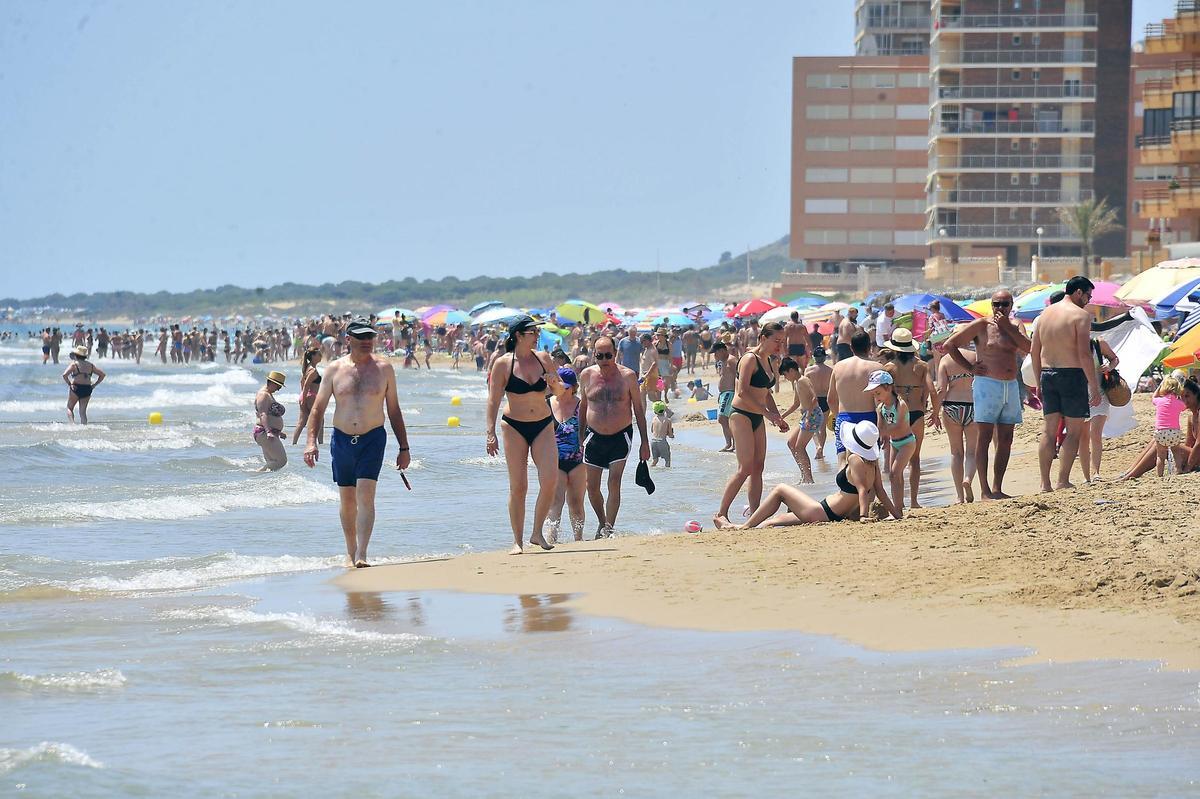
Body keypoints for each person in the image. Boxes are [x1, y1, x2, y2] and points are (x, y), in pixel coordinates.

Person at [304, 317, 411, 568]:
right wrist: (311, 442)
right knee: (347, 499)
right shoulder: (334, 370)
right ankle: (350, 550)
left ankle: (363, 552)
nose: (367, 341)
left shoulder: (384, 369)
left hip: (373, 437)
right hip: (341, 439)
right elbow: (318, 409)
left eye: (370, 337)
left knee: (366, 494)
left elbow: (394, 410)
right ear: (348, 339)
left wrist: (404, 448)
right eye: (361, 337)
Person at [731, 420, 901, 527]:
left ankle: (745, 526)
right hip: (830, 513)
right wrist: (897, 515)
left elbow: (863, 490)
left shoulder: (856, 459)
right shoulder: (872, 464)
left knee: (780, 489)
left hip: (823, 512)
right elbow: (880, 492)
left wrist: (863, 516)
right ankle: (755, 524)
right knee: (777, 520)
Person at [485, 316, 561, 554]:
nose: (537, 336)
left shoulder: (544, 358)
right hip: (514, 426)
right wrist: (489, 432)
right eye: (532, 332)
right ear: (518, 335)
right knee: (519, 486)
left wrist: (553, 382)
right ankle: (517, 541)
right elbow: (493, 399)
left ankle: (537, 533)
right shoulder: (503, 363)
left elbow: (559, 391)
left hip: (543, 423)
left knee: (550, 480)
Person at [944, 290, 1030, 500]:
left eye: (1004, 304)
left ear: (1011, 306)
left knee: (1006, 438)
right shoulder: (982, 325)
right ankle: (984, 490)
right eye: (996, 304)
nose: (1000, 308)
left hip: (1010, 385)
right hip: (986, 385)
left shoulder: (1015, 325)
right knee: (984, 436)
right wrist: (970, 367)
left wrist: (1008, 327)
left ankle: (997, 487)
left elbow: (1028, 347)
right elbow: (949, 345)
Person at [713, 322, 790, 528]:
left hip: (758, 416)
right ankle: (721, 514)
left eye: (782, 341)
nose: (779, 345)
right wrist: (768, 415)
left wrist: (777, 415)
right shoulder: (749, 358)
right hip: (741, 415)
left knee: (758, 467)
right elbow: (742, 392)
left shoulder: (768, 360)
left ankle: (755, 515)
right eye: (776, 341)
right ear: (763, 338)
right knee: (745, 467)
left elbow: (766, 392)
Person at [1030, 276, 1100, 492]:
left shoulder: (1044, 315)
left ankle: (1045, 483)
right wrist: (1094, 386)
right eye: (1088, 295)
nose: (1089, 300)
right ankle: (1062, 480)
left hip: (1047, 374)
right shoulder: (1080, 316)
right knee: (1073, 431)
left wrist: (1038, 381)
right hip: (1072, 375)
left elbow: (1034, 352)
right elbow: (1084, 354)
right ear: (1078, 292)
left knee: (1049, 431)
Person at [577, 335, 651, 538]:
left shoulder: (627, 376)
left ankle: (609, 527)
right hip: (593, 437)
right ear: (594, 354)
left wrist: (645, 442)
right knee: (591, 487)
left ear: (615, 353)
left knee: (614, 482)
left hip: (621, 436)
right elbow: (583, 407)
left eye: (608, 355)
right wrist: (579, 438)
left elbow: (638, 409)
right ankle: (602, 521)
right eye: (599, 355)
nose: (604, 360)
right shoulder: (586, 375)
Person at [881, 329, 940, 508]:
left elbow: (883, 395)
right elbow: (932, 390)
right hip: (917, 414)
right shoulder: (922, 366)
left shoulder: (889, 368)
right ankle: (914, 501)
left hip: (898, 413)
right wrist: (936, 412)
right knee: (915, 459)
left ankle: (898, 502)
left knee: (895, 459)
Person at [1118, 376, 1200, 478]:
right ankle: (1129, 472)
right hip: (1196, 456)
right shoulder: (1191, 417)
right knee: (1156, 440)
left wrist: (1188, 467)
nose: (1183, 400)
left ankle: (1131, 475)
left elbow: (1198, 444)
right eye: (1181, 396)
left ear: (1196, 395)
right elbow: (1189, 444)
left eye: (1187, 396)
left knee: (1160, 443)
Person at [866, 370, 917, 511]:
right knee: (894, 476)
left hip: (907, 442)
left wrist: (884, 432)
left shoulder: (900, 405)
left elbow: (900, 426)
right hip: (894, 443)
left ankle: (897, 508)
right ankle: (898, 508)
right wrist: (881, 437)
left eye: (878, 393)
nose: (876, 397)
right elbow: (880, 426)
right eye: (873, 394)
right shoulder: (880, 408)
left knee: (895, 473)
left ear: (888, 388)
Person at [827, 331, 878, 467]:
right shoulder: (877, 367)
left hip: (844, 418)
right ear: (869, 348)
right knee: (870, 463)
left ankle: (844, 488)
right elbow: (881, 401)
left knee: (843, 461)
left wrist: (838, 418)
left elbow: (831, 400)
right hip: (869, 419)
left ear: (851, 348)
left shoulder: (838, 367)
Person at [548, 367, 586, 544]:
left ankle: (578, 539)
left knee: (576, 503)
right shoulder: (547, 404)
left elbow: (591, 428)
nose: (561, 389)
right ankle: (551, 539)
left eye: (565, 387)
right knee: (556, 502)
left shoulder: (581, 405)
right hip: (554, 462)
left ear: (573, 387)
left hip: (578, 461)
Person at [936, 344, 978, 503]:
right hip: (972, 404)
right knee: (972, 452)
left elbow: (941, 389)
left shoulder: (946, 360)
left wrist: (934, 413)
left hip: (952, 405)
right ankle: (967, 478)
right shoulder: (975, 356)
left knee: (956, 452)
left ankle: (960, 496)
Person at [1077, 337, 1119, 482]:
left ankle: (1096, 472)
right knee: (1082, 437)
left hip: (1101, 394)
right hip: (1079, 396)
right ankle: (1086, 477)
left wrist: (1109, 367)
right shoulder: (1070, 343)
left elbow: (1114, 359)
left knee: (1095, 434)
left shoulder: (1098, 343)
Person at [778, 356, 818, 483]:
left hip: (813, 415)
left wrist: (807, 417)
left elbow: (814, 399)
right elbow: (796, 404)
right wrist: (782, 416)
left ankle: (809, 479)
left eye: (785, 375)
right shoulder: (796, 383)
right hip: (806, 416)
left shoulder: (803, 380)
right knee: (791, 443)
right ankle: (804, 474)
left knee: (800, 447)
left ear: (791, 370)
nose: (785, 378)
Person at [1152, 374, 1187, 476]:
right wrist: (1179, 396)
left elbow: (1154, 396)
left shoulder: (1159, 401)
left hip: (1161, 432)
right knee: (1176, 452)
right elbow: (1184, 406)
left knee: (1160, 456)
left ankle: (1160, 475)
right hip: (1174, 432)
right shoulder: (1179, 403)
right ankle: (1179, 470)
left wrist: (1160, 386)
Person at [254, 371, 289, 472]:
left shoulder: (268, 394)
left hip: (268, 432)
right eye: (279, 386)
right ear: (272, 383)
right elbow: (262, 414)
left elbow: (270, 415)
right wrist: (269, 431)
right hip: (264, 433)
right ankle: (256, 474)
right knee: (281, 461)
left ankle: (262, 482)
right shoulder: (263, 395)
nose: (279, 389)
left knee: (272, 463)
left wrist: (278, 432)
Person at [62, 345, 105, 424]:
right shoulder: (90, 365)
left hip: (76, 388)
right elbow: (102, 375)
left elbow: (64, 375)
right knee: (82, 412)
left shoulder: (74, 365)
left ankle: (72, 425)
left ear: (76, 355)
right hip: (87, 389)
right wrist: (94, 385)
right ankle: (84, 428)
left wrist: (70, 384)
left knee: (69, 408)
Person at [292, 348, 324, 445]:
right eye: (319, 354)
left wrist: (303, 396)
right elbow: (306, 385)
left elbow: (302, 382)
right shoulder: (313, 370)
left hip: (306, 396)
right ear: (313, 356)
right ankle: (320, 443)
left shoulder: (308, 368)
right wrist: (305, 398)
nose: (321, 356)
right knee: (320, 421)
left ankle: (294, 444)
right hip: (311, 396)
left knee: (302, 422)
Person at [805, 346, 832, 459]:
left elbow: (804, 386)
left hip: (814, 400)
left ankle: (817, 447)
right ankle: (821, 449)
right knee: (823, 427)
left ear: (814, 357)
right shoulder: (830, 370)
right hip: (826, 399)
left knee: (812, 425)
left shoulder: (809, 370)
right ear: (825, 357)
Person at [713, 341, 736, 452]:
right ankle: (729, 444)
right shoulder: (722, 362)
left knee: (723, 419)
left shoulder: (731, 360)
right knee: (725, 419)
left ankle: (733, 444)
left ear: (722, 351)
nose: (714, 356)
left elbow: (739, 376)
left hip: (730, 393)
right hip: (724, 394)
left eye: (716, 353)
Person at [649, 400, 674, 467]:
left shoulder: (654, 419)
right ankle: (667, 476)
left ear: (654, 411)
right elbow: (670, 435)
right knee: (667, 460)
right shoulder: (668, 420)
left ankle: (650, 470)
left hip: (653, 441)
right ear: (664, 410)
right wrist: (671, 435)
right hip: (662, 441)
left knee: (655, 460)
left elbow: (652, 430)